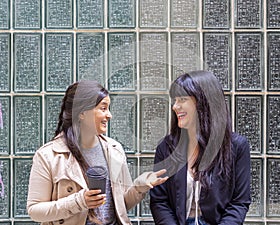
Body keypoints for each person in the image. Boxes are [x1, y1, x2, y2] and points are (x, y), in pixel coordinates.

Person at [27, 80, 168, 225]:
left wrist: (139, 187)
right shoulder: (48, 155)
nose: (109, 115)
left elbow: (120, 207)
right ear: (81, 112)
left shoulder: (114, 149)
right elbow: (35, 211)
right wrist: (79, 201)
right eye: (103, 108)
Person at [150, 70, 251, 225]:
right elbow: (159, 201)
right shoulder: (166, 148)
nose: (175, 106)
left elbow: (239, 203)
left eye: (182, 99)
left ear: (204, 103)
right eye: (175, 100)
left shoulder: (237, 146)